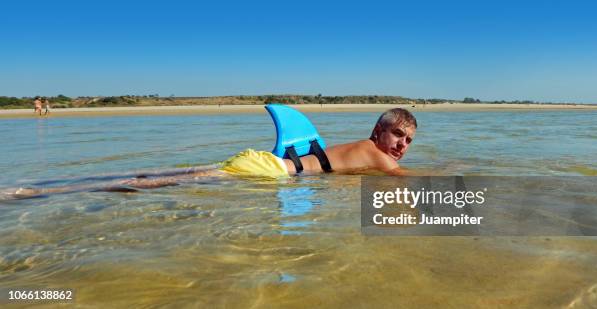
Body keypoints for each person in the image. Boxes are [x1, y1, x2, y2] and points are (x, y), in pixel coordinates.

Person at [5, 108, 417, 198]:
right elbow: (410, 182)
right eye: (397, 135)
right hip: (269, 172)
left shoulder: (362, 151)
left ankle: (38, 187)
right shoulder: (377, 157)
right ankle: (33, 193)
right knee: (143, 186)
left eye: (408, 142)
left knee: (153, 177)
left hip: (262, 162)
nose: (401, 146)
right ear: (378, 132)